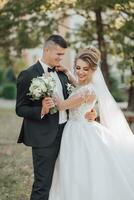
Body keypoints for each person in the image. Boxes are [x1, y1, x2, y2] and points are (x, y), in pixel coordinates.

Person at [16, 35, 97, 200]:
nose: (61, 58)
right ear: (46, 50)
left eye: (63, 54)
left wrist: (91, 112)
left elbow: (77, 97)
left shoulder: (62, 73)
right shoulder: (28, 74)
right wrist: (42, 109)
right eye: (58, 54)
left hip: (69, 135)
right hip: (44, 138)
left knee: (66, 181)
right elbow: (20, 108)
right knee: (43, 184)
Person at [48, 47, 134, 200]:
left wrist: (48, 86)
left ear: (93, 70)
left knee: (80, 169)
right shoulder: (85, 87)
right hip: (79, 127)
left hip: (79, 132)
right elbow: (78, 86)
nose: (80, 72)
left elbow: (62, 105)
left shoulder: (86, 92)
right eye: (78, 68)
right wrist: (68, 72)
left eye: (85, 69)